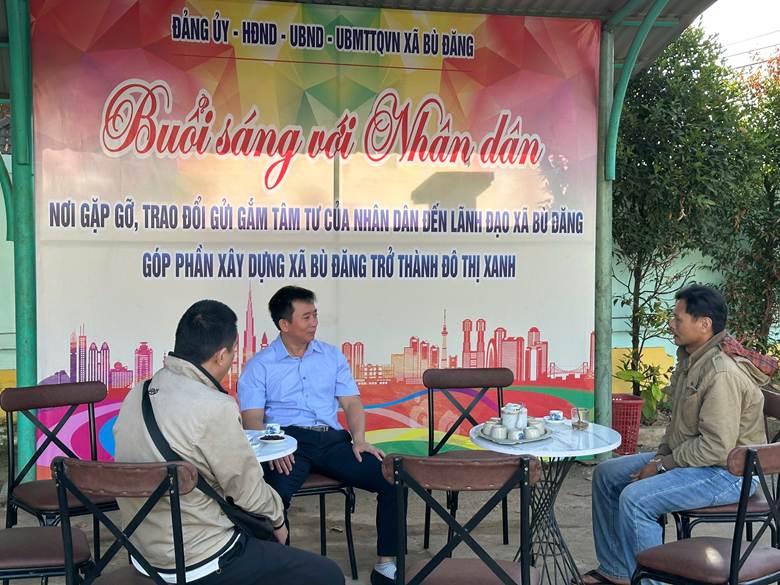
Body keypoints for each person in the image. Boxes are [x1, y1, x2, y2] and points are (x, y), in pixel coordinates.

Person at [114, 299, 344, 585]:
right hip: (203, 561)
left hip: (144, 557)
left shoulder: (137, 393)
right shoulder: (216, 406)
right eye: (233, 353)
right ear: (221, 356)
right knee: (327, 574)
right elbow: (248, 493)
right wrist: (278, 519)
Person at [580, 284, 768, 585]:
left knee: (636, 500)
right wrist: (660, 457)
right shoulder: (691, 359)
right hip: (695, 460)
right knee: (607, 474)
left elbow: (717, 448)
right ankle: (617, 572)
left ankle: (652, 581)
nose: (671, 324)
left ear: (704, 324)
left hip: (728, 473)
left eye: (678, 319)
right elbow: (679, 425)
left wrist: (661, 466)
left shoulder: (720, 372)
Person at [238, 286, 401, 585]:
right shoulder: (259, 365)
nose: (314, 322)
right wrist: (274, 448)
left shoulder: (331, 356)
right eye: (306, 317)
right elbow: (252, 420)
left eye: (315, 315)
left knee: (392, 478)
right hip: (288, 443)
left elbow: (351, 403)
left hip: (332, 442)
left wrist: (359, 439)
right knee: (271, 499)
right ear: (284, 324)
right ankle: (278, 571)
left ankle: (386, 565)